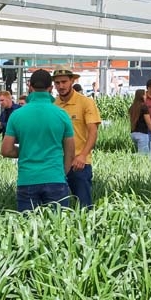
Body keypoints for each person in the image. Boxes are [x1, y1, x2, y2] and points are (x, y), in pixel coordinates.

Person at [1, 69, 75, 212]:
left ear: (30, 87)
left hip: (27, 179)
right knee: (57, 229)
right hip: (55, 177)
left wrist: (25, 150)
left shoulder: (17, 115)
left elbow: (6, 150)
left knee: (28, 229)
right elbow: (70, 152)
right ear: (51, 88)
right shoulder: (62, 115)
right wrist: (62, 173)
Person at [52, 66, 101, 208]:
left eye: (64, 82)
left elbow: (93, 131)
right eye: (57, 83)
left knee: (84, 205)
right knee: (58, 206)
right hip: (58, 162)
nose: (61, 86)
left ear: (72, 81)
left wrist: (82, 156)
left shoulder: (86, 102)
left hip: (79, 163)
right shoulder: (54, 105)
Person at [129, 89, 151, 154]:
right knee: (143, 156)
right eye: (145, 95)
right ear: (142, 96)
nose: (146, 97)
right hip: (142, 134)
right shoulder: (144, 107)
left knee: (138, 153)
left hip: (133, 133)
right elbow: (148, 122)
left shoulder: (132, 107)